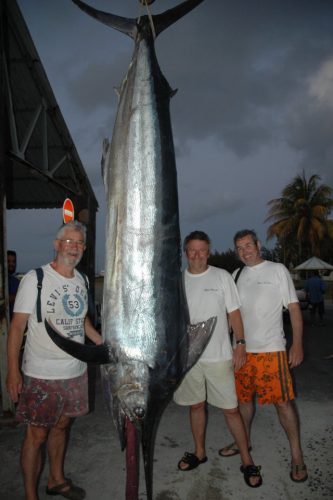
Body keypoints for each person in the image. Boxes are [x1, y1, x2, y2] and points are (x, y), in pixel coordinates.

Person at [6, 220, 103, 500]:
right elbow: (16, 328)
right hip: (41, 372)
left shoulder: (83, 280)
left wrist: (99, 341)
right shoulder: (35, 279)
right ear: (57, 245)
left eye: (79, 244)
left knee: (62, 425)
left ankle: (56, 480)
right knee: (36, 435)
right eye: (69, 242)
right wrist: (13, 370)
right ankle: (29, 494)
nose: (74, 248)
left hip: (74, 370)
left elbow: (81, 318)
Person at [173, 230, 262, 488]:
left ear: (209, 251)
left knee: (231, 410)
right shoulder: (177, 282)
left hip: (219, 356)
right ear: (185, 252)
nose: (198, 255)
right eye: (192, 250)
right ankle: (199, 452)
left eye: (202, 250)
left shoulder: (222, 276)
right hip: (188, 359)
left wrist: (241, 344)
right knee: (196, 406)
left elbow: (234, 314)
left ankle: (247, 459)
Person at [220, 229, 308, 483]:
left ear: (258, 245)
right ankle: (242, 443)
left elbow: (293, 308)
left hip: (272, 351)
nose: (245, 250)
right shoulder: (236, 275)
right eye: (239, 247)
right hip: (242, 353)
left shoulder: (277, 269)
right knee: (243, 403)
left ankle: (297, 455)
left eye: (248, 245)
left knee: (283, 403)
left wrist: (297, 344)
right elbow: (231, 317)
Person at [7, 250, 20, 320]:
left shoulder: (17, 281)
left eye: (13, 261)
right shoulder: (3, 281)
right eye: (8, 261)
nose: (11, 264)